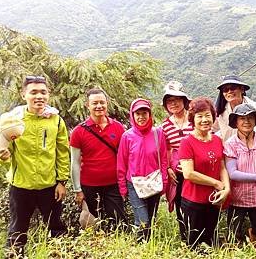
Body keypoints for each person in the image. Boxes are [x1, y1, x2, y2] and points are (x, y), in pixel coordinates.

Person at [0, 75, 69, 259]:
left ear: (48, 95)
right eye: (33, 92)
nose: (39, 96)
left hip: (49, 185)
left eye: (43, 92)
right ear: (24, 95)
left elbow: (62, 152)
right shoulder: (13, 120)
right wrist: (3, 157)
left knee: (56, 226)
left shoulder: (56, 121)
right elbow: (4, 151)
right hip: (21, 185)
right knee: (18, 229)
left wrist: (61, 182)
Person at [70, 88, 127, 231]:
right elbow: (75, 162)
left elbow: (124, 157)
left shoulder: (118, 128)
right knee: (92, 225)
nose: (99, 106)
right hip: (89, 186)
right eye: (94, 103)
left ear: (107, 104)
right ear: (87, 105)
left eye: (102, 102)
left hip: (113, 184)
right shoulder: (78, 131)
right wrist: (77, 190)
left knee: (118, 222)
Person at [178, 97, 230, 247]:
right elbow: (188, 174)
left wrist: (226, 189)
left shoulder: (217, 140)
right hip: (193, 201)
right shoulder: (187, 142)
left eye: (207, 115)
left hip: (213, 200)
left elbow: (222, 166)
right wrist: (215, 182)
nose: (204, 120)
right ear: (193, 119)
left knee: (211, 241)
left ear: (213, 117)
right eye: (199, 116)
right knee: (194, 243)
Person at [117, 98, 168, 241]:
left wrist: (164, 180)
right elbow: (122, 163)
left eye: (144, 112)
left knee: (150, 219)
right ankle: (140, 247)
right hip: (134, 184)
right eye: (137, 113)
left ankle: (146, 248)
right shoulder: (127, 137)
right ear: (132, 116)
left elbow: (163, 159)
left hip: (154, 181)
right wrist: (122, 187)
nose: (141, 117)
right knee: (142, 221)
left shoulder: (158, 133)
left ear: (149, 114)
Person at [224, 104, 256, 251]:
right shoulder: (231, 144)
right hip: (237, 198)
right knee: (232, 232)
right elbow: (232, 173)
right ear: (236, 122)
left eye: (250, 118)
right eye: (242, 118)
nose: (246, 121)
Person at [161, 81, 193, 241]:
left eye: (177, 99)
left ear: (184, 101)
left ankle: (200, 236)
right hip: (177, 173)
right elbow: (165, 149)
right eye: (169, 101)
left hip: (195, 172)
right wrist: (167, 169)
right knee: (180, 205)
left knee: (195, 204)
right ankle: (185, 239)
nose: (173, 104)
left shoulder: (195, 120)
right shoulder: (165, 126)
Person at [213, 74, 256, 142]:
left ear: (242, 89)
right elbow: (211, 131)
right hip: (228, 151)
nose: (229, 92)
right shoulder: (219, 112)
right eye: (225, 90)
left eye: (233, 88)